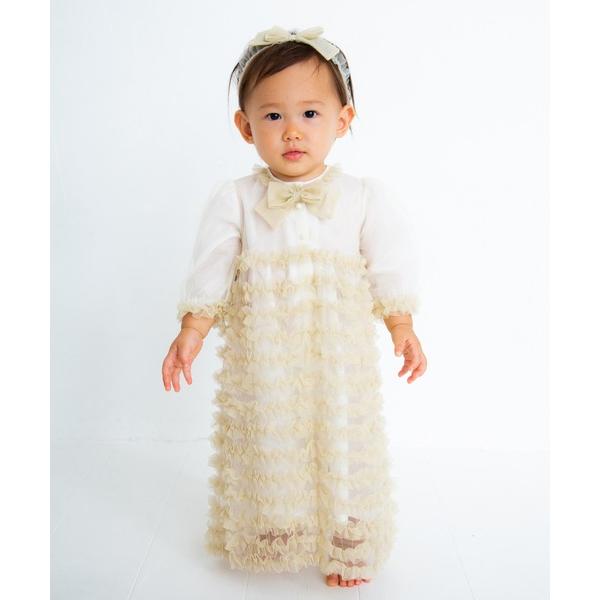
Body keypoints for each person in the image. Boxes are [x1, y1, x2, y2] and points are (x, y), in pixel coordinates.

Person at [161, 25, 428, 588]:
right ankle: (277, 530)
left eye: (310, 113)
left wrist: (401, 325)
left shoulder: (362, 197)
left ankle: (346, 543)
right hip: (267, 354)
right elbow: (211, 269)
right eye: (273, 115)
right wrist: (192, 329)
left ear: (342, 119)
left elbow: (388, 266)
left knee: (343, 441)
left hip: (338, 359)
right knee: (272, 439)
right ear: (246, 126)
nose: (292, 131)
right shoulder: (236, 199)